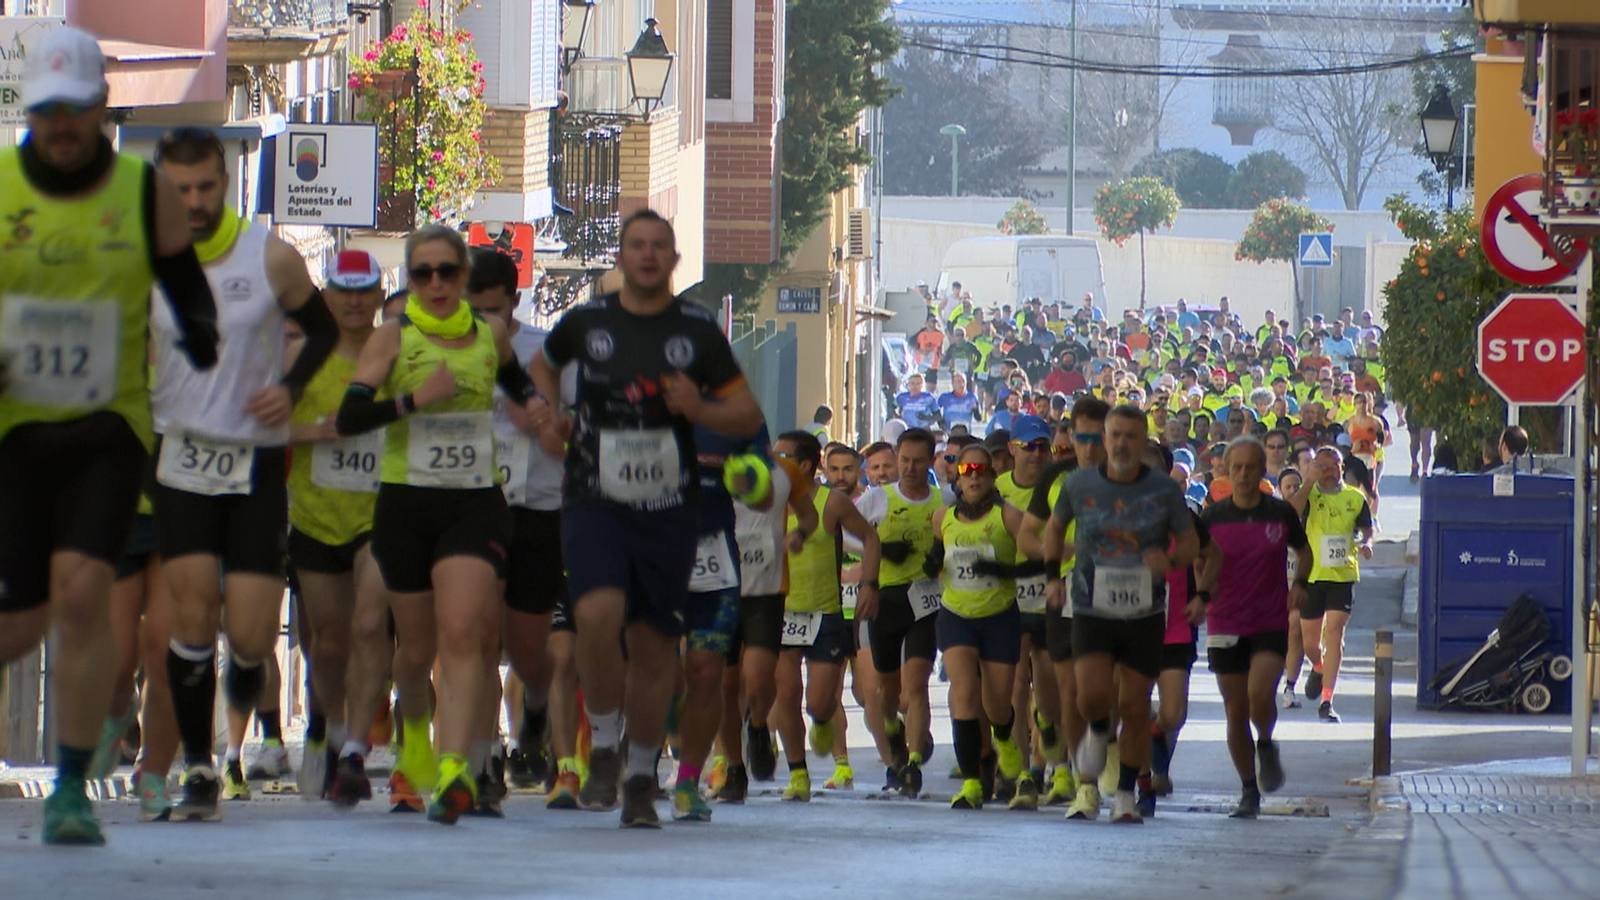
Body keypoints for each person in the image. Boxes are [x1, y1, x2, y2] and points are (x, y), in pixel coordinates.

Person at [0, 27, 219, 843]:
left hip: (107, 424)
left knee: (86, 592)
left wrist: (200, 338)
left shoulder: (141, 191)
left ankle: (68, 787)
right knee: (19, 623)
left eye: (74, 111)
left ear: (100, 108)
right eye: (46, 112)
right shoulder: (0, 189)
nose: (60, 127)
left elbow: (185, 287)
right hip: (14, 429)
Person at [529, 210, 764, 827]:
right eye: (637, 245)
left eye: (660, 246)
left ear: (674, 260)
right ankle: (603, 743)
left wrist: (701, 403)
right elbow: (541, 367)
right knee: (597, 616)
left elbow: (744, 413)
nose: (648, 255)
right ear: (622, 257)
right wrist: (547, 413)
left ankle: (640, 774)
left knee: (655, 642)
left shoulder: (698, 331)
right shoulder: (587, 321)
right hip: (595, 494)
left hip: (669, 504)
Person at [149, 127, 337, 821]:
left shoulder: (271, 257)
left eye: (204, 188)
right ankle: (199, 766)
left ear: (225, 184)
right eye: (179, 190)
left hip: (254, 458)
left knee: (252, 635)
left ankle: (244, 691)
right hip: (180, 451)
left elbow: (319, 331)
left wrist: (290, 387)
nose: (193, 202)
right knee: (193, 610)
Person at [335, 224, 543, 824]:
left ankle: (456, 769)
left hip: (474, 502)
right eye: (421, 274)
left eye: (446, 273)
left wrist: (536, 407)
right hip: (406, 503)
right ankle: (417, 740)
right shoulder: (391, 338)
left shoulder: (489, 334)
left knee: (463, 635)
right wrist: (413, 401)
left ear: (463, 277)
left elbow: (516, 381)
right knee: (416, 647)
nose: (434, 284)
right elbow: (351, 417)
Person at [1043, 405, 1199, 824]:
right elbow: (1054, 530)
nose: (1122, 444)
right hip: (1092, 605)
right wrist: (1052, 577)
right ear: (1105, 439)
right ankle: (1097, 729)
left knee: (1133, 705)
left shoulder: (1163, 491)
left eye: (1131, 436)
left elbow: (1189, 545)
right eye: (1115, 436)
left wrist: (1166, 558)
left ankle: (1126, 793)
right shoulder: (1079, 484)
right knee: (1088, 695)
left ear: (1143, 438)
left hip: (1145, 610)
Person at [284, 250, 391, 807]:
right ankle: (326, 726)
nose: (353, 301)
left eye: (364, 290)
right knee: (326, 642)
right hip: (315, 514)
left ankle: (354, 750)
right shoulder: (303, 353)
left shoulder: (392, 350)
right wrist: (316, 431)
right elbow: (265, 424)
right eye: (343, 291)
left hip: (379, 515)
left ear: (378, 295)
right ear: (326, 296)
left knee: (371, 624)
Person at [467, 249, 572, 810]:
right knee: (477, 639)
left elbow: (566, 440)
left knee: (530, 650)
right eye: (472, 308)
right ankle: (484, 763)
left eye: (493, 310)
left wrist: (536, 417)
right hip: (472, 506)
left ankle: (534, 706)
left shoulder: (546, 353)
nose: (484, 321)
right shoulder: (442, 351)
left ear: (514, 301)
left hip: (538, 508)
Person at [1199, 438, 1313, 817]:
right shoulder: (1212, 518)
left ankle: (1265, 740)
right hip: (1225, 618)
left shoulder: (1279, 513)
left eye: (1252, 467)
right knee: (1235, 709)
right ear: (1227, 472)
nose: (1245, 474)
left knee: (1258, 694)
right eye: (1238, 468)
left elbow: (1304, 551)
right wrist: (1200, 590)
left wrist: (1300, 584)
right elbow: (1195, 558)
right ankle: (1249, 789)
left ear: (1263, 469)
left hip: (1268, 619)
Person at [772, 431, 880, 802]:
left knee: (818, 703)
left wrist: (869, 584)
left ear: (804, 465)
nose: (773, 462)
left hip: (825, 614)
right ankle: (798, 773)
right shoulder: (767, 503)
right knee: (785, 694)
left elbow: (870, 538)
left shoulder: (830, 503)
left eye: (781, 456)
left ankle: (819, 721)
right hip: (783, 613)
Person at [929, 443, 1027, 809]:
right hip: (957, 614)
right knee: (964, 693)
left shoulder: (1009, 517)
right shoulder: (943, 518)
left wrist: (1002, 571)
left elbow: (1038, 561)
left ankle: (1003, 735)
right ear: (957, 477)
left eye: (981, 470)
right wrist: (931, 563)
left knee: (997, 703)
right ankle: (971, 780)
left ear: (991, 476)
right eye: (966, 470)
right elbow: (940, 553)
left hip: (999, 615)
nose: (973, 476)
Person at [854, 427, 943, 796]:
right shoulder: (878, 499)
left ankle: (914, 764)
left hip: (926, 601)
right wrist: (875, 549)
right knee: (885, 693)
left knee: (916, 686)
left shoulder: (944, 499)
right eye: (904, 460)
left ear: (930, 460)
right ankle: (895, 738)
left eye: (918, 461)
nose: (910, 468)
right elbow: (844, 530)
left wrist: (939, 555)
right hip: (886, 601)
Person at [1286, 447, 1373, 723]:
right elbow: (1290, 513)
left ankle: (1327, 700)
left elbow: (1366, 528)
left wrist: (1367, 544)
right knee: (1311, 643)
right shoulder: (1309, 495)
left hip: (1343, 575)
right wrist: (1308, 481)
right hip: (1312, 576)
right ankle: (1319, 666)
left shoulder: (1354, 497)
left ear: (1341, 467)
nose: (1329, 471)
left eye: (1333, 465)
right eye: (1322, 466)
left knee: (1335, 631)